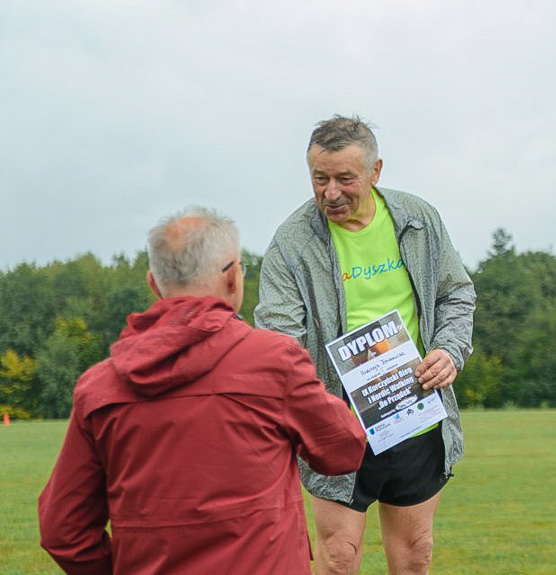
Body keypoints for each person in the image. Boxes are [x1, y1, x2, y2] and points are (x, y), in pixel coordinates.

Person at [38, 206, 366, 575]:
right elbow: (343, 450)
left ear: (153, 284)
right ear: (232, 278)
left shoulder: (99, 387)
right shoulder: (275, 362)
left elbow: (63, 530)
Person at [255, 115, 476, 575]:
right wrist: (310, 409)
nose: (330, 192)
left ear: (375, 172)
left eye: (344, 179)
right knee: (339, 558)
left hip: (415, 418)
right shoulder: (292, 243)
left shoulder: (418, 220)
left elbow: (456, 293)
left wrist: (448, 352)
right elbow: (278, 339)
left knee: (416, 555)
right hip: (335, 429)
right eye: (320, 178)